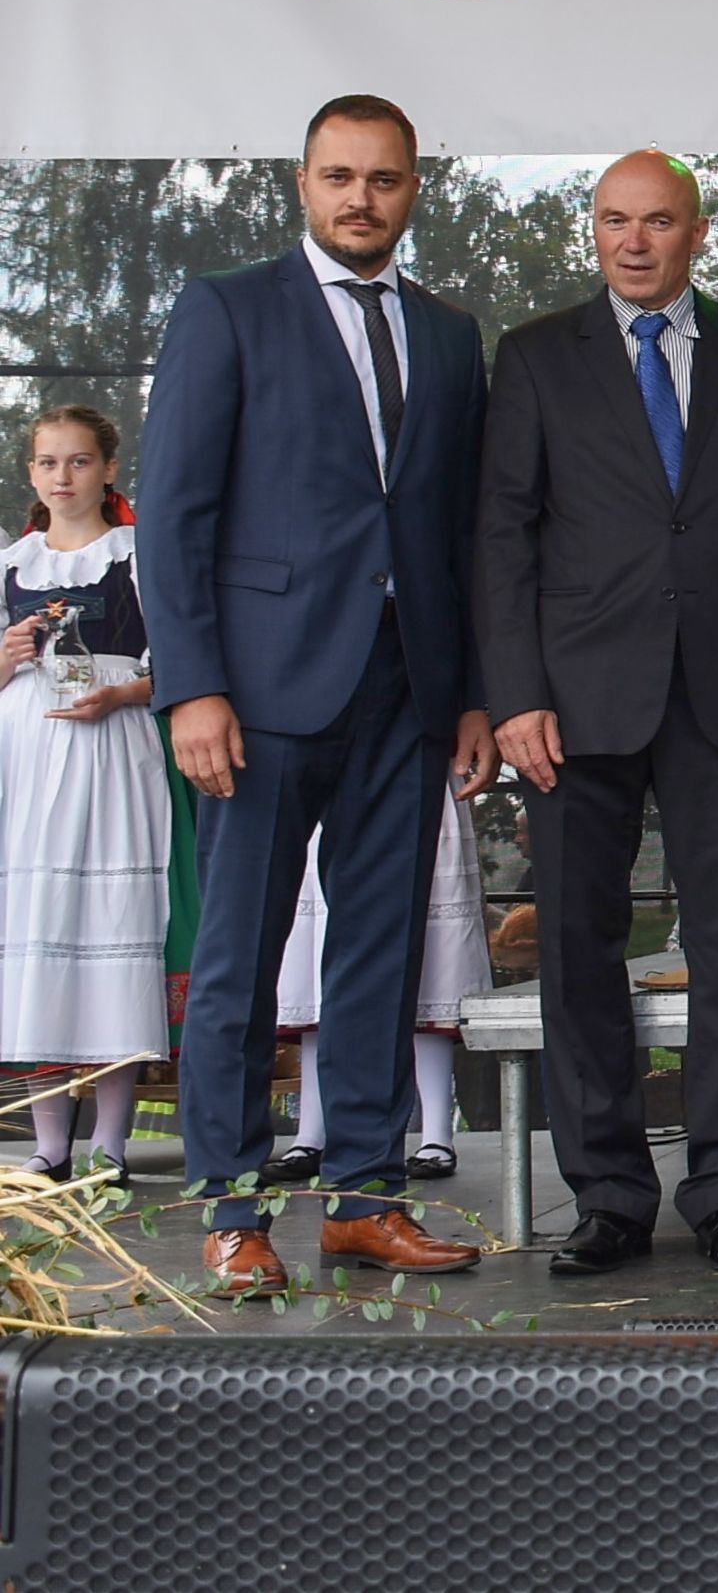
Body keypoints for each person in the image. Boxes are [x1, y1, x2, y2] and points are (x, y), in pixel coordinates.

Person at [139, 92, 494, 1294]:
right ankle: (233, 1210)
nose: (361, 199)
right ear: (304, 184)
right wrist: (193, 688)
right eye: (339, 177)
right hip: (256, 694)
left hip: (410, 693)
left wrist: (473, 695)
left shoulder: (450, 335)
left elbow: (457, 531)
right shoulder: (226, 309)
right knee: (238, 960)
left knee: (381, 955)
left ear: (412, 189)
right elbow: (175, 517)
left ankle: (362, 1196)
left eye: (383, 179)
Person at [472, 149, 718, 1276]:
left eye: (657, 221)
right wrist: (513, 693)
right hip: (571, 701)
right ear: (593, 229)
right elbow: (500, 537)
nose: (633, 241)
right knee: (575, 951)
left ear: (696, 231)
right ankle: (609, 1197)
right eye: (615, 220)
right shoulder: (533, 358)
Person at [0, 405, 169, 1180]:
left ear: (107, 468)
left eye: (76, 461)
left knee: (111, 922)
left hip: (111, 753)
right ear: (30, 473)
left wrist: (120, 694)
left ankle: (109, 1143)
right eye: (47, 463)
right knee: (34, 930)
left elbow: (182, 665)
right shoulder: (10, 563)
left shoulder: (140, 555)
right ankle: (47, 1144)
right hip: (28, 757)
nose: (61, 477)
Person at [270, 800, 491, 1185]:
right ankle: (311, 1135)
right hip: (329, 781)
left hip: (417, 779)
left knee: (428, 968)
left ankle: (436, 1135)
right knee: (319, 962)